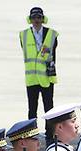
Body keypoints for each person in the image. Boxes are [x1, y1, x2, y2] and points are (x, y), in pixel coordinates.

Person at [20, 7, 58, 144]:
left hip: (46, 77)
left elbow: (53, 54)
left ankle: (50, 133)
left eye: (38, 17)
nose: (36, 20)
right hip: (31, 78)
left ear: (43, 19)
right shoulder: (23, 35)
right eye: (34, 18)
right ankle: (32, 134)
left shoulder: (51, 34)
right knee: (32, 108)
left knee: (49, 107)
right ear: (29, 20)